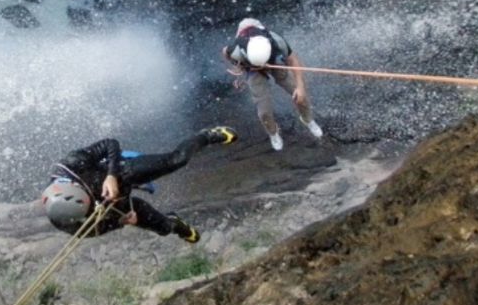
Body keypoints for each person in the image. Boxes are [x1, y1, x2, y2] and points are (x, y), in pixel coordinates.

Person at [40, 126, 237, 243]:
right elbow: (93, 231)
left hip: (120, 173)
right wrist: (121, 222)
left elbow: (110, 144)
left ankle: (208, 135)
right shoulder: (65, 221)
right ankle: (174, 223)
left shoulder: (72, 164)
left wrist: (111, 175)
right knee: (163, 228)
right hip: (117, 208)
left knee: (177, 160)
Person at [222, 17, 323, 151]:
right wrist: (237, 67)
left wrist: (300, 87)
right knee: (264, 111)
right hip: (252, 68)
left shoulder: (277, 42)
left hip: (274, 62)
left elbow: (294, 62)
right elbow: (225, 53)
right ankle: (273, 132)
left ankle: (308, 119)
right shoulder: (235, 49)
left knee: (299, 94)